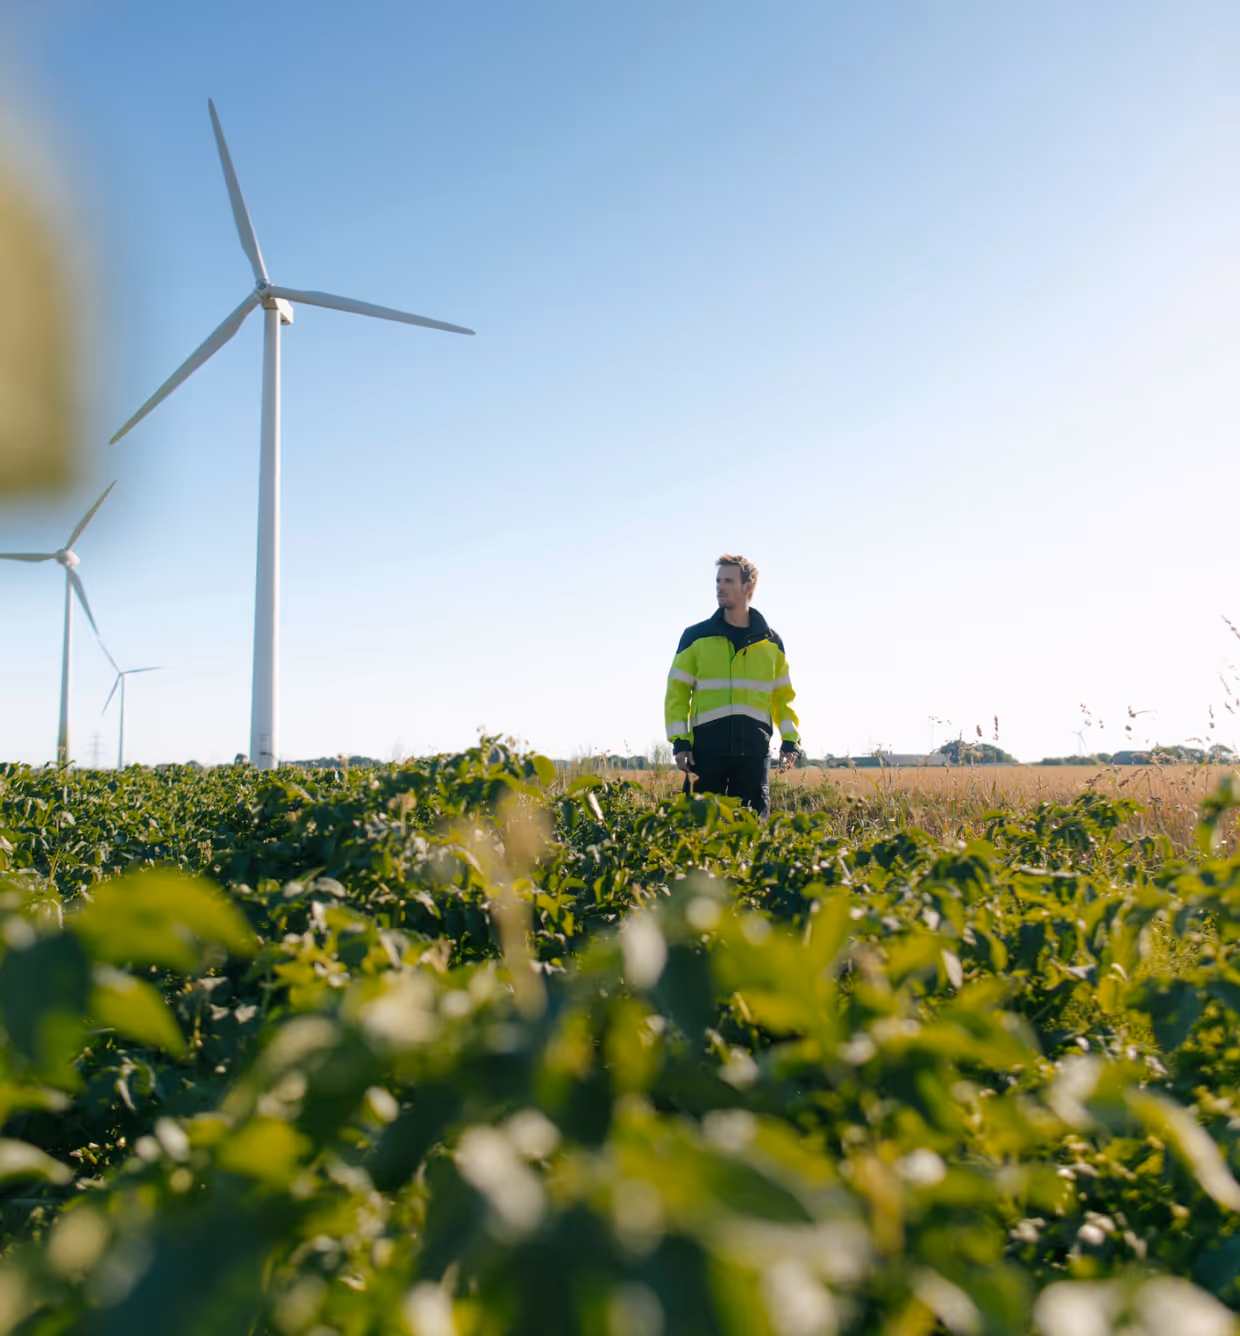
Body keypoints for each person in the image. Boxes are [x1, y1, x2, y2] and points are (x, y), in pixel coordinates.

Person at [663, 554, 800, 817]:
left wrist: (790, 739)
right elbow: (676, 694)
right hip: (705, 752)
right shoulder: (695, 637)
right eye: (718, 581)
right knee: (696, 829)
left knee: (751, 831)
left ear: (748, 586)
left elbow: (783, 697)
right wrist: (680, 741)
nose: (720, 587)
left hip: (754, 751)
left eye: (728, 581)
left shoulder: (772, 643)